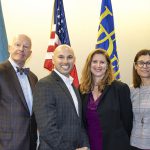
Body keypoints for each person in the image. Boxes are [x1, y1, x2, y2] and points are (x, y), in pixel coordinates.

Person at [33, 44, 89, 150]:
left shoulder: (73, 86)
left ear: (74, 60)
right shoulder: (45, 84)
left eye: (69, 57)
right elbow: (47, 129)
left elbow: (79, 122)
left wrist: (85, 146)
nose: (65, 61)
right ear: (53, 60)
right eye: (61, 57)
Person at [79, 48, 133, 150]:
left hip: (115, 145)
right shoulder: (82, 89)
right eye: (94, 62)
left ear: (107, 66)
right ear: (89, 65)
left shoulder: (120, 88)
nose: (98, 65)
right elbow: (82, 122)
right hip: (90, 144)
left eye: (102, 62)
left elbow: (128, 121)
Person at [0, 34, 38, 150]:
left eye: (26, 46)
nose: (21, 49)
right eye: (18, 45)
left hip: (31, 142)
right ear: (9, 48)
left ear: (30, 53)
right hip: (6, 143)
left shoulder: (33, 78)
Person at [130, 49, 150, 150]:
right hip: (134, 144)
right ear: (135, 66)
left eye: (148, 63)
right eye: (141, 63)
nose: (145, 66)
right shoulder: (131, 90)